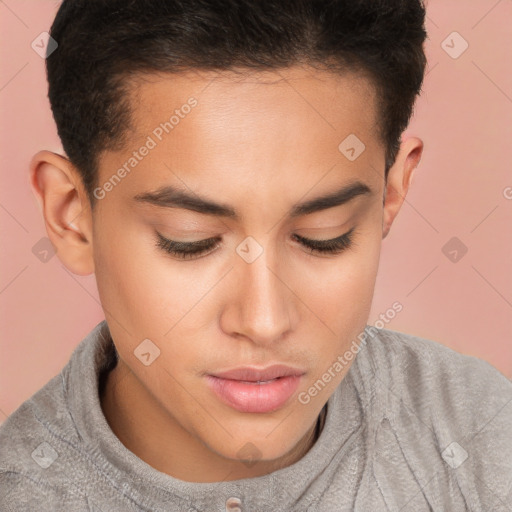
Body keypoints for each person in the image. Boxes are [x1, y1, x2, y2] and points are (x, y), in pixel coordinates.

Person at [1, 1, 511, 510]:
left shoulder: (481, 436)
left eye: (323, 235)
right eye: (190, 240)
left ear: (390, 196)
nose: (264, 321)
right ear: (72, 215)